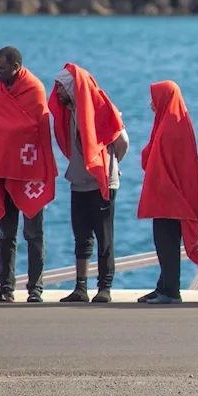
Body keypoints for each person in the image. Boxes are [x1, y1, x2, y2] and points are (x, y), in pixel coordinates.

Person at [0, 47, 57, 303]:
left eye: (2, 68)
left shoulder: (34, 89)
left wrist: (8, 133)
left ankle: (35, 289)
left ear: (16, 66)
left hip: (30, 173)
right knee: (5, 235)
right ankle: (6, 289)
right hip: (2, 173)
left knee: (33, 234)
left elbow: (35, 128)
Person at [49, 64, 128, 303]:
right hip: (78, 182)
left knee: (105, 238)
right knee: (81, 237)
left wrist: (110, 167)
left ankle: (105, 288)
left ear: (73, 87)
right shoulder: (69, 111)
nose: (58, 93)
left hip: (102, 182)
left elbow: (122, 141)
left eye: (62, 87)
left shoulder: (103, 108)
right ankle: (80, 288)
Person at [137, 81, 198, 304]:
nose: (151, 103)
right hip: (166, 197)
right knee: (163, 242)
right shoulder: (169, 120)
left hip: (170, 199)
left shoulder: (172, 126)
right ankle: (163, 286)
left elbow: (168, 164)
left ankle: (171, 291)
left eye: (155, 98)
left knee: (167, 243)